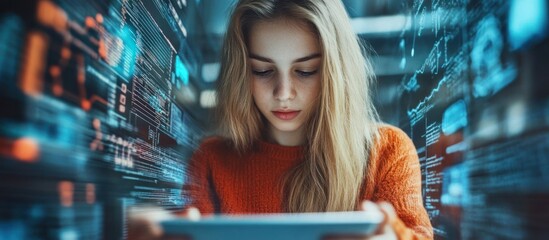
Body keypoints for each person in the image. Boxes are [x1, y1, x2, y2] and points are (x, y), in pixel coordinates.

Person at [130, 0, 433, 239]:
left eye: (305, 71)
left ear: (335, 72)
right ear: (242, 73)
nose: (283, 93)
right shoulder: (212, 160)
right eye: (263, 71)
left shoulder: (388, 152)